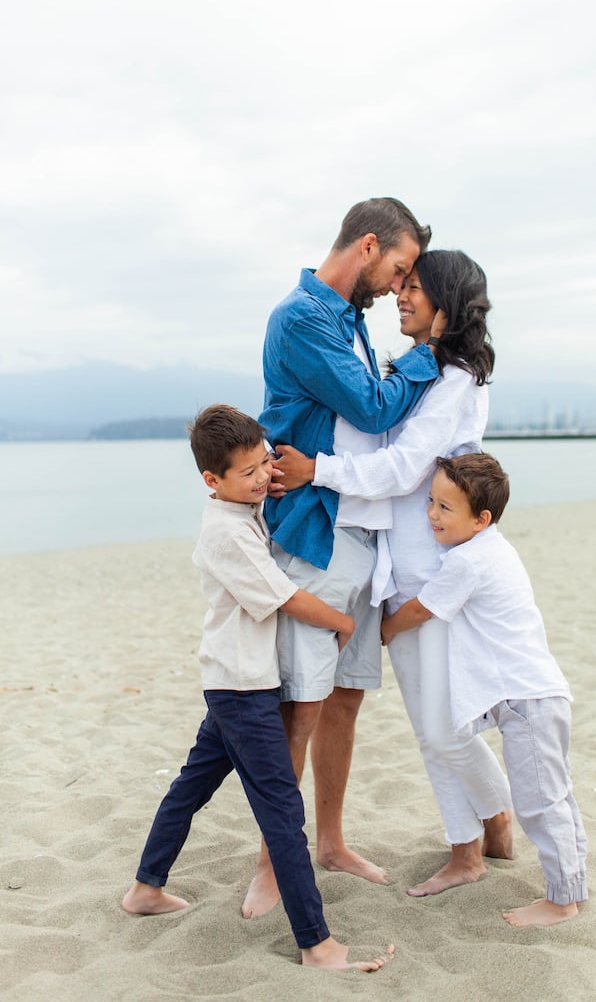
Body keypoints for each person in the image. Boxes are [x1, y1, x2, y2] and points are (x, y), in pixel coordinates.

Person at [273, 250, 514, 898]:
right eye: (401, 284)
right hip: (399, 571)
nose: (401, 296)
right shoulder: (424, 370)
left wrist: (317, 470)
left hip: (434, 572)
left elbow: (406, 468)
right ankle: (484, 828)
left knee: (442, 725)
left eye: (415, 287)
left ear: (446, 304)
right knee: (433, 722)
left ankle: (476, 837)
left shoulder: (456, 377)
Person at [121, 405, 394, 972]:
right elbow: (287, 597)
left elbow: (264, 492)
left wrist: (266, 481)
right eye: (246, 473)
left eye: (263, 463)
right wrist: (343, 622)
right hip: (243, 691)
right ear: (211, 480)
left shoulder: (243, 509)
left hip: (233, 681)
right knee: (281, 812)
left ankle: (146, 888)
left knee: (190, 788)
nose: (261, 477)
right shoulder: (226, 535)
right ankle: (317, 944)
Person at [244, 197, 441, 918]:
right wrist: (432, 349)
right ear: (368, 246)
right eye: (398, 268)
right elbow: (374, 408)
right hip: (316, 535)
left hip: (364, 536)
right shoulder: (301, 318)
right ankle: (273, 863)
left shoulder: (349, 320)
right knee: (299, 704)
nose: (398, 286)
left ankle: (328, 842)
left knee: (344, 699)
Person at [381, 453, 589, 928]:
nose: (431, 515)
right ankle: (573, 886)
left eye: (445, 508)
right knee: (557, 798)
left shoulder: (468, 561)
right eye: (430, 501)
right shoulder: (494, 549)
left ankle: (561, 901)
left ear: (481, 519)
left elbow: (421, 609)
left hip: (526, 700)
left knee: (541, 804)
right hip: (533, 694)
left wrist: (385, 629)